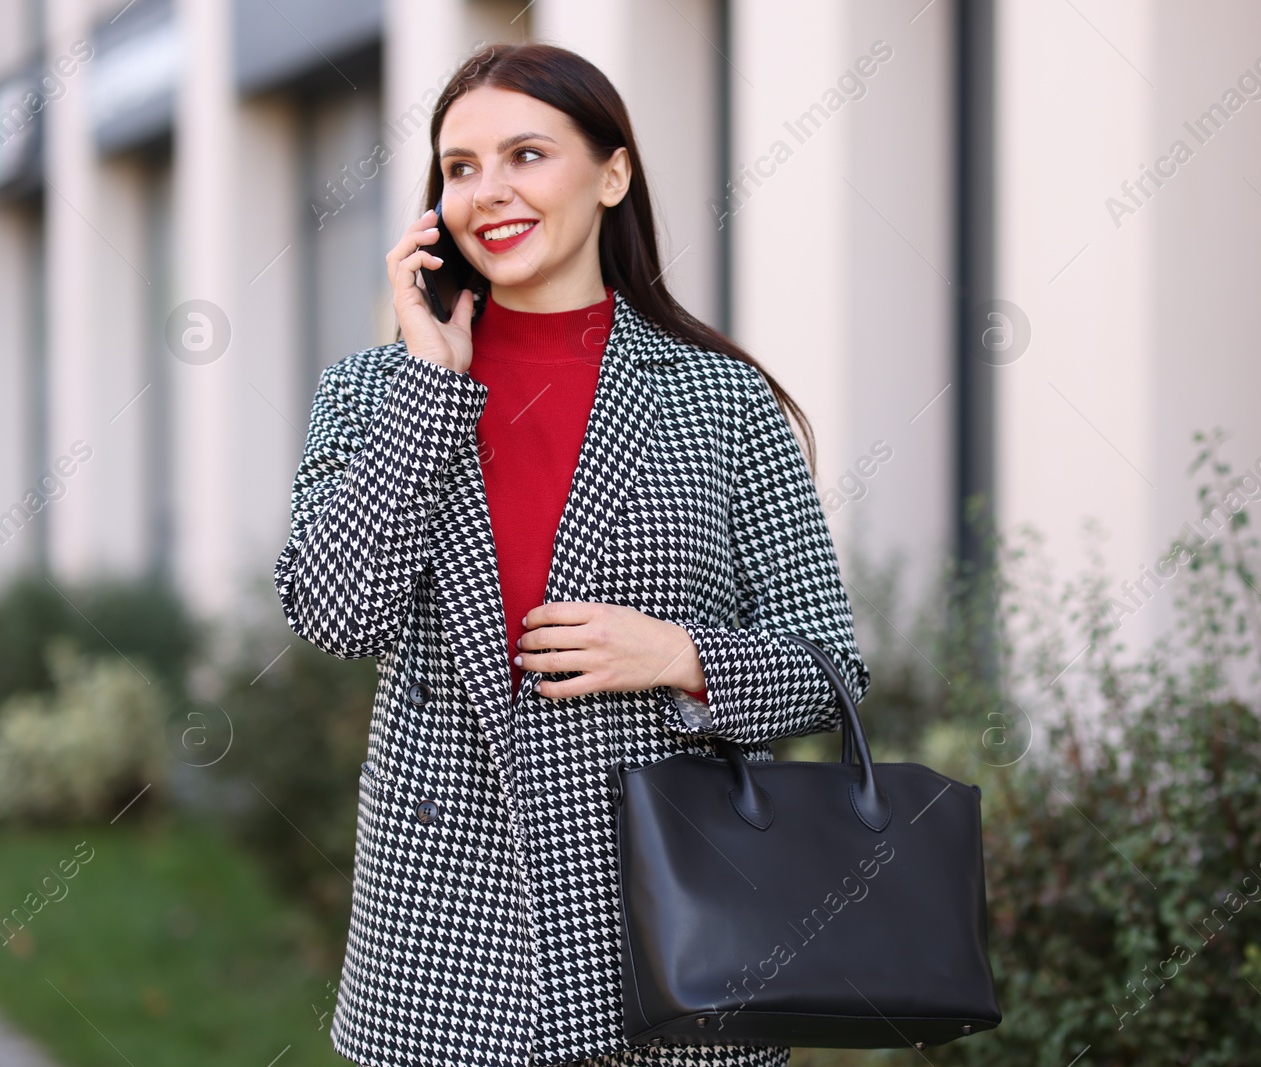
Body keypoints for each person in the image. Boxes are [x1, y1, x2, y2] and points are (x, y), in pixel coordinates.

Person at [273, 41, 871, 1067]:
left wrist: (681, 655)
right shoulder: (374, 390)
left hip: (674, 932)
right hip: (443, 950)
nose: (488, 191)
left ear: (612, 172)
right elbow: (335, 613)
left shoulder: (718, 402)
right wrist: (430, 387)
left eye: (526, 154)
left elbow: (830, 669)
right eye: (459, 167)